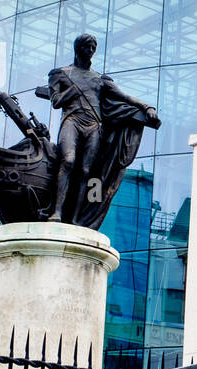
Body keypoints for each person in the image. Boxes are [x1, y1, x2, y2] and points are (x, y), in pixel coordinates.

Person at [42, 34, 160, 228]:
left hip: (94, 125)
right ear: (78, 48)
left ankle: (75, 218)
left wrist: (147, 107)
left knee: (86, 170)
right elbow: (56, 102)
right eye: (87, 47)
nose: (90, 51)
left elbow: (125, 97)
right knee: (68, 160)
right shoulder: (60, 73)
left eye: (93, 48)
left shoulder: (99, 78)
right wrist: (73, 90)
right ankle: (56, 211)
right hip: (72, 120)